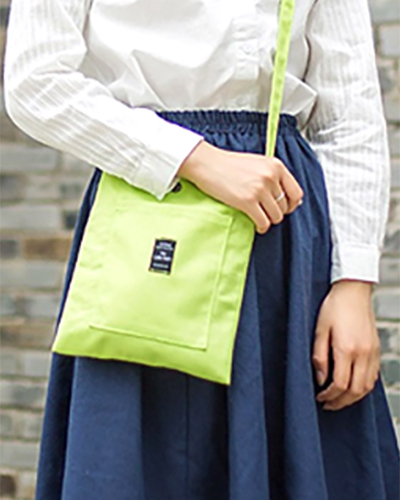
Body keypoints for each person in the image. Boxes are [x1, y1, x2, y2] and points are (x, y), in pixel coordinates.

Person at [3, 0, 400, 499]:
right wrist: (195, 159)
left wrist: (353, 283)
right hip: (147, 214)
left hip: (281, 237)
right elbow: (36, 80)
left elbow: (349, 115)